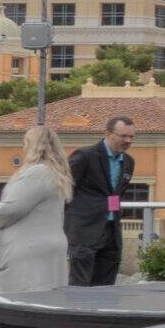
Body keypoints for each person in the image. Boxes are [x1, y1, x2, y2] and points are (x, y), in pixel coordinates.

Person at [0, 126, 72, 293]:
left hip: (29, 250)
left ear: (34, 146)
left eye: (26, 143)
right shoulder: (55, 173)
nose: (23, 148)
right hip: (48, 247)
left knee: (22, 302)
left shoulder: (37, 173)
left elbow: (12, 207)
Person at [65, 115, 137, 285]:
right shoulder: (85, 156)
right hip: (84, 232)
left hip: (111, 233)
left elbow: (116, 194)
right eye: (123, 136)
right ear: (108, 134)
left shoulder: (128, 162)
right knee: (80, 287)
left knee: (106, 288)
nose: (128, 141)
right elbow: (64, 189)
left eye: (131, 137)